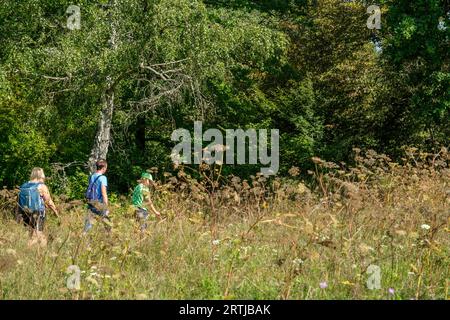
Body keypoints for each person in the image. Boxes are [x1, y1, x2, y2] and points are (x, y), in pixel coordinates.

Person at [17, 167, 59, 247]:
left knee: (33, 234)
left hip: (25, 212)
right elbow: (49, 201)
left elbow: (18, 201)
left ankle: (44, 251)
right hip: (37, 212)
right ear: (41, 175)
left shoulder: (23, 186)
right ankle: (27, 250)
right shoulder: (41, 186)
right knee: (37, 235)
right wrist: (56, 212)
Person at [84, 159, 111, 233]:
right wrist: (106, 206)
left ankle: (83, 239)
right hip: (99, 204)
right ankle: (108, 240)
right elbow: (104, 193)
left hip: (90, 203)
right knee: (108, 225)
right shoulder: (103, 178)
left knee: (88, 226)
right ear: (104, 168)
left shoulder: (92, 176)